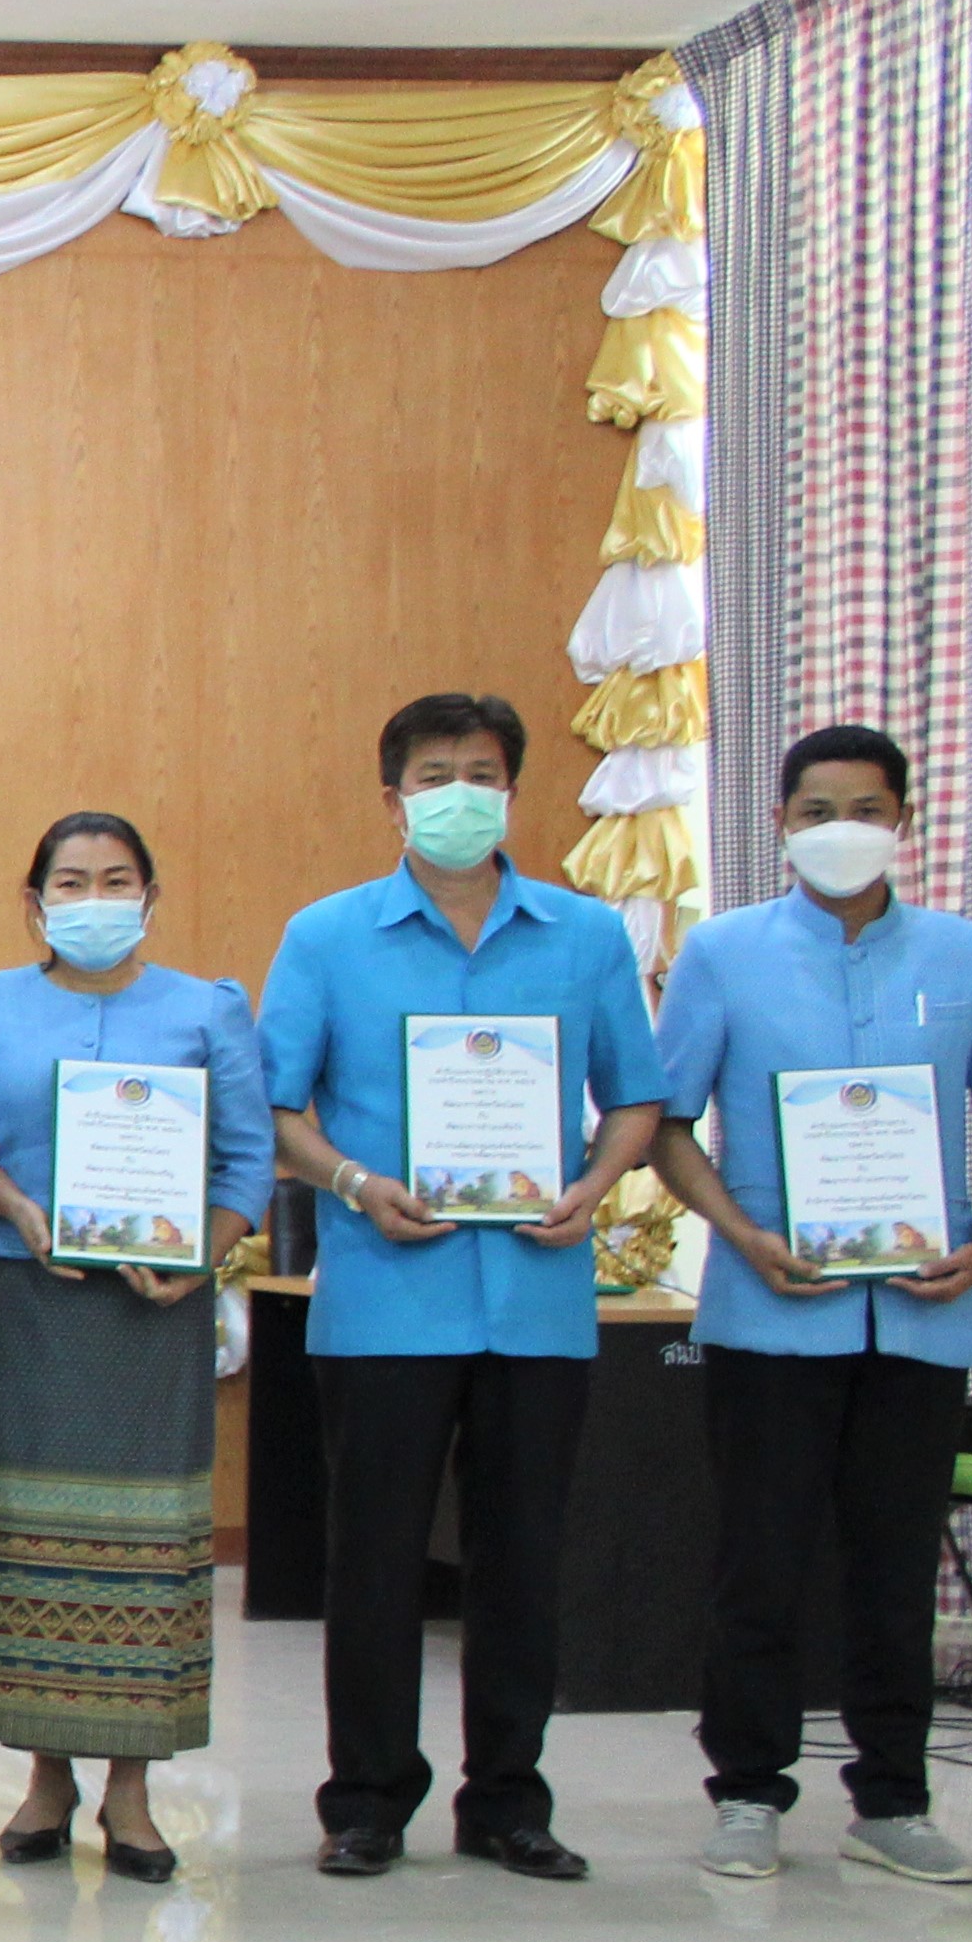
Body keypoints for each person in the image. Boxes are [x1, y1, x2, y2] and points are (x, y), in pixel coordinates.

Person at [259, 691, 665, 1880]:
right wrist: (352, 1180)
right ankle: (368, 1800)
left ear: (512, 790)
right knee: (375, 1561)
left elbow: (637, 1096)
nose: (458, 794)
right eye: (434, 775)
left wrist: (593, 1187)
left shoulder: (586, 937)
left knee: (523, 1561)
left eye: (480, 771)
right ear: (392, 799)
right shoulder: (327, 936)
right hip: (385, 1294)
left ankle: (507, 1799)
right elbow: (280, 1109)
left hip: (538, 1298)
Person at [644, 723, 972, 1889]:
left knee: (893, 1562)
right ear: (780, 823)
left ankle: (895, 1798)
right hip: (775, 1314)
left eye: (865, 807)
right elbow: (667, 1126)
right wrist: (743, 1234)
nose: (840, 829)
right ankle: (750, 1792)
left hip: (923, 1316)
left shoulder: (968, 957)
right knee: (760, 1563)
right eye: (816, 810)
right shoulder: (722, 954)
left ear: (902, 823)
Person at [0, 812, 269, 1884]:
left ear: (151, 895)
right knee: (37, 1532)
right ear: (35, 902)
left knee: (150, 1541)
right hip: (36, 1298)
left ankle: (132, 1792)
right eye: (71, 882)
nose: (94, 898)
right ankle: (46, 1777)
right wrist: (20, 1212)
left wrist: (202, 1257)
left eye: (116, 879)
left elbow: (246, 1162)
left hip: (156, 1312)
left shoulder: (207, 1009)